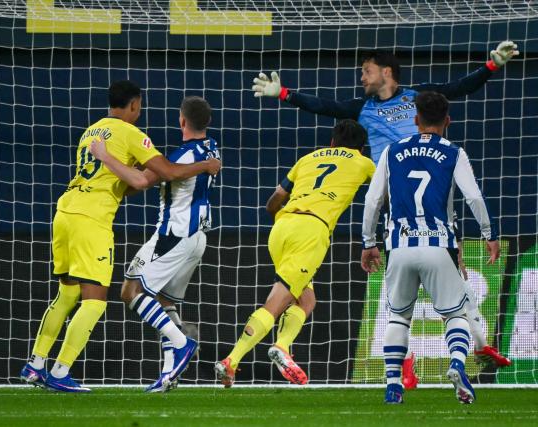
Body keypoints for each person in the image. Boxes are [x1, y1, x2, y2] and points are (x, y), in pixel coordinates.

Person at [252, 42, 517, 383]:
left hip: (432, 201)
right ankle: (421, 359)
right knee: (417, 285)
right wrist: (284, 93)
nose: (362, 77)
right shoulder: (362, 108)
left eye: (367, 70)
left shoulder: (416, 98)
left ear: (386, 72)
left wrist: (491, 66)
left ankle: (476, 346)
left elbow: (458, 88)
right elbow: (323, 106)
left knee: (453, 272)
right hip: (398, 209)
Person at [19, 81, 220, 392]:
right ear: (134, 105)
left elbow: (120, 183)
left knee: (67, 295)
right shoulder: (131, 134)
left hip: (65, 213)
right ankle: (59, 372)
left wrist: (131, 173)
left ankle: (35, 365)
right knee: (96, 302)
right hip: (92, 220)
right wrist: (204, 165)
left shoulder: (91, 132)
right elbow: (153, 176)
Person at [361, 91, 500, 404]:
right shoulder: (453, 152)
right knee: (456, 315)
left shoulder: (392, 151)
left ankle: (394, 385)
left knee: (398, 318)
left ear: (415, 120)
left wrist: (368, 242)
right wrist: (489, 234)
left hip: (399, 246)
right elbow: (474, 197)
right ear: (447, 121)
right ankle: (456, 364)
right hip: (439, 245)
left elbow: (372, 201)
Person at [215, 119, 375, 387]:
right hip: (311, 231)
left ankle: (283, 345)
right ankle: (231, 360)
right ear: (361, 148)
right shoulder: (362, 162)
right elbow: (384, 187)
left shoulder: (308, 158)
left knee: (306, 299)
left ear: (332, 142)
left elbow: (274, 200)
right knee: (276, 303)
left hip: (280, 228)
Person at [89, 96, 218, 393]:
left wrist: (106, 157)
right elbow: (153, 178)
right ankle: (168, 375)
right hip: (197, 238)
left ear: (181, 121)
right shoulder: (209, 149)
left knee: (130, 291)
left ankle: (182, 342)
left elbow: (143, 181)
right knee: (165, 303)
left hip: (172, 235)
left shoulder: (184, 156)